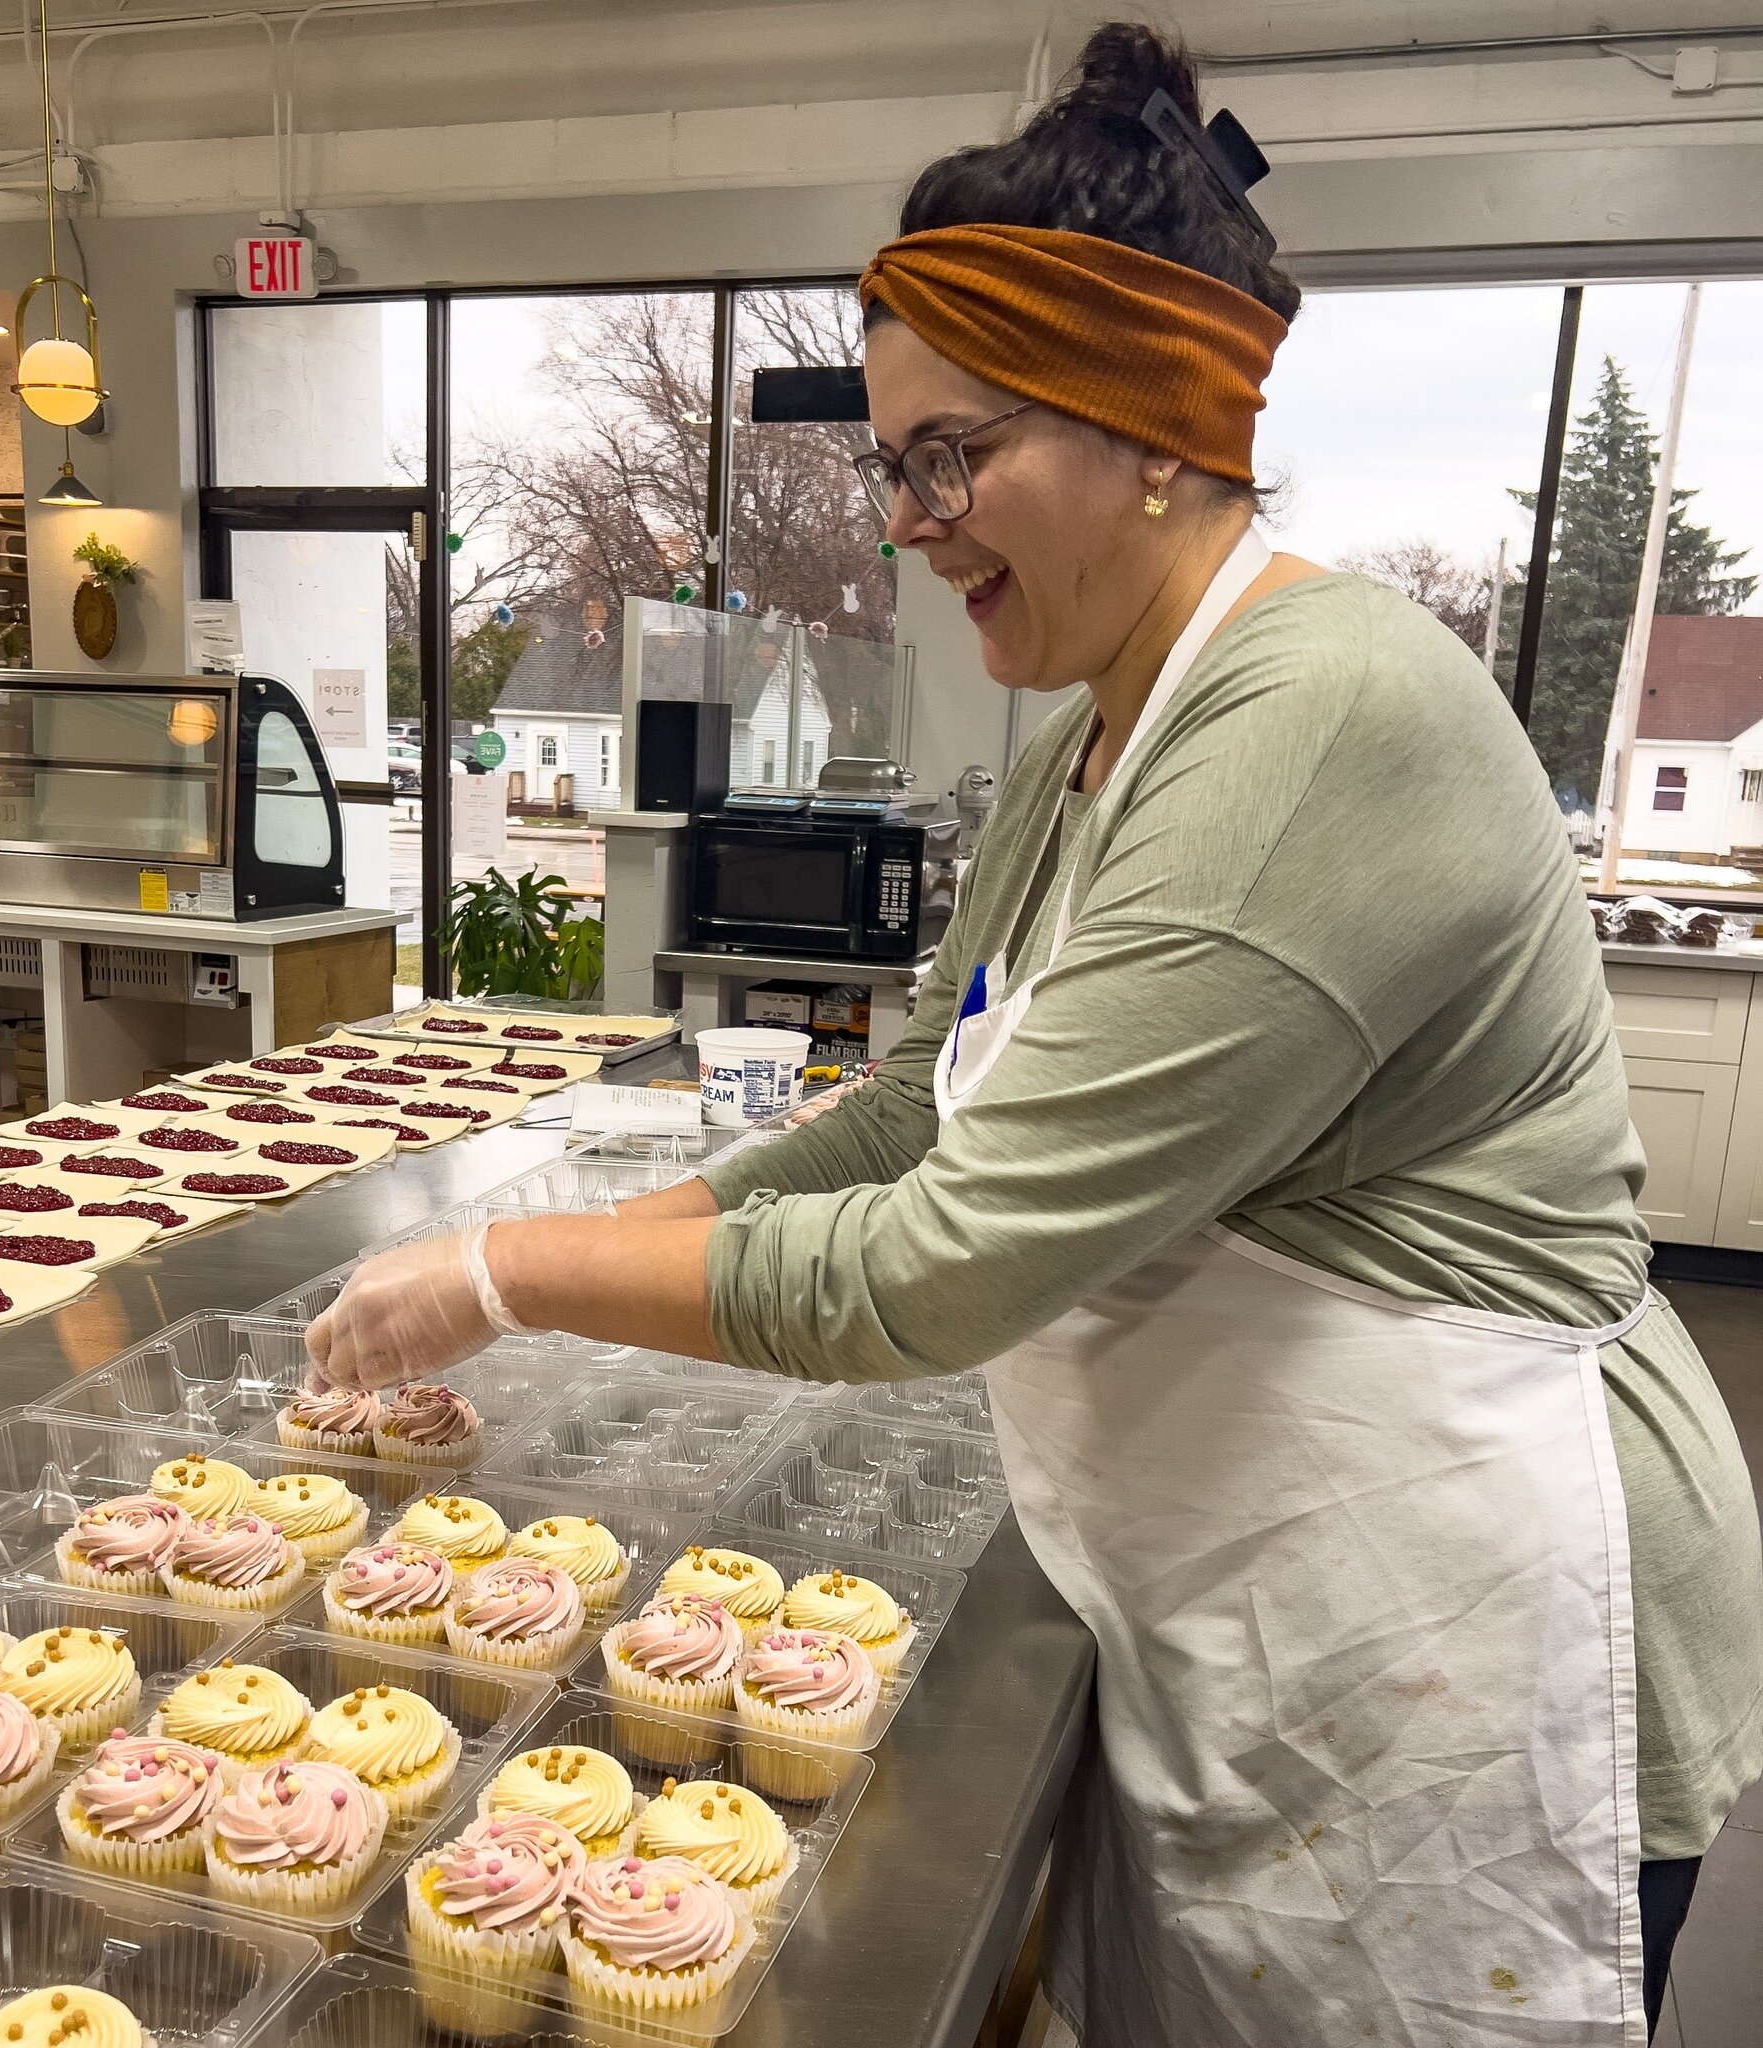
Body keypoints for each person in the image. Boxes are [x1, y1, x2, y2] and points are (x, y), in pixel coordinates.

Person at [308, 23, 1763, 2044]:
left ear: (1153, 429)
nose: (906, 514)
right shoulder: (1098, 741)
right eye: (886, 459)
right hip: (1258, 1602)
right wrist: (661, 1220)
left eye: (949, 452)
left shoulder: (1328, 714)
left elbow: (948, 1256)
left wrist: (504, 1271)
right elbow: (915, 1112)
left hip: (1462, 1619)